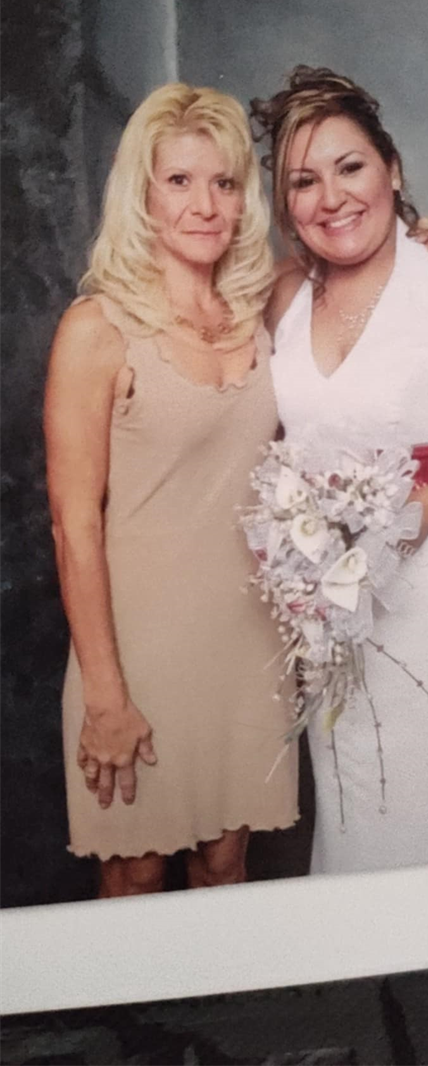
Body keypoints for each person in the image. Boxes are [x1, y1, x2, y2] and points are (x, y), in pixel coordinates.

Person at [250, 65, 428, 874]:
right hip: (336, 601)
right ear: (285, 206)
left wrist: (420, 510)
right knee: (356, 805)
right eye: (303, 181)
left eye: (351, 167)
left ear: (392, 171)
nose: (331, 197)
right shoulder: (280, 294)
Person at [44, 82, 300, 898]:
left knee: (226, 866)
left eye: (223, 182)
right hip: (137, 651)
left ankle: (219, 1034)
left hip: (248, 641)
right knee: (136, 872)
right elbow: (72, 524)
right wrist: (107, 695)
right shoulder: (98, 327)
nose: (204, 204)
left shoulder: (264, 305)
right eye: (179, 181)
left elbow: (367, 253)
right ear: (142, 193)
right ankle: (144, 1035)